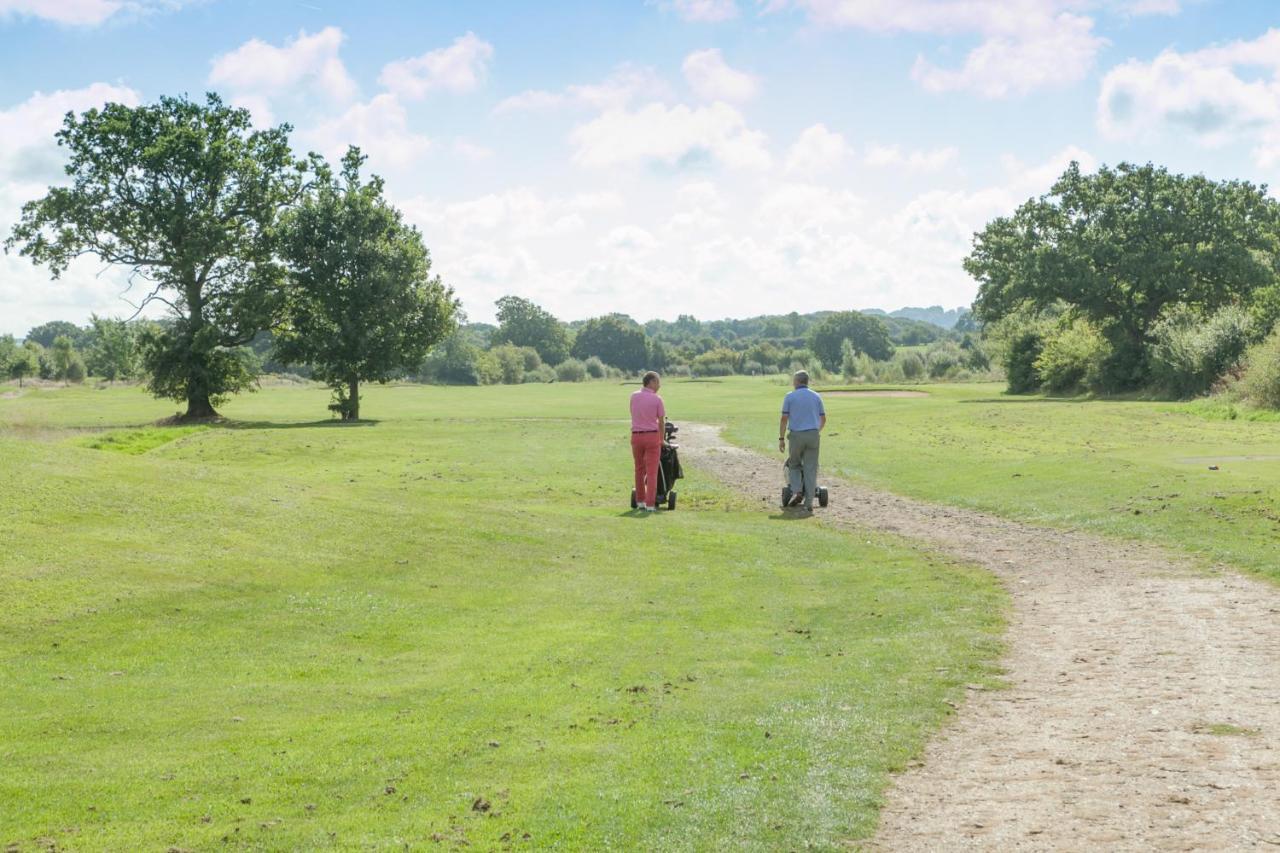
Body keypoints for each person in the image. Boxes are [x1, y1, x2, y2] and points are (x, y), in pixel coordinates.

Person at [778, 370, 826, 512]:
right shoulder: (816, 396)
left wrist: (781, 438)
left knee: (794, 464)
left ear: (797, 381)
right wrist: (816, 431)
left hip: (796, 436)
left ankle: (797, 491)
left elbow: (784, 419)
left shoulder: (790, 397)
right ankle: (809, 502)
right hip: (813, 434)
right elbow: (823, 419)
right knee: (811, 468)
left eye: (794, 380)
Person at [630, 371, 666, 512]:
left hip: (636, 436)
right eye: (657, 382)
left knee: (639, 470)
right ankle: (650, 504)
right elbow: (661, 422)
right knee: (651, 472)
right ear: (651, 382)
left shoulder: (633, 396)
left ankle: (640, 501)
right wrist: (661, 439)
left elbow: (633, 414)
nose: (659, 385)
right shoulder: (657, 399)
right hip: (652, 437)